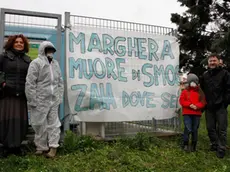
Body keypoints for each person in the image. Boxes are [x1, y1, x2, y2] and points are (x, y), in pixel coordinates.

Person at [25, 41, 64, 158]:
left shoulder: (55, 64)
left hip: (53, 100)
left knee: (54, 124)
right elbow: (30, 83)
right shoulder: (36, 63)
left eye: (52, 50)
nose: (50, 53)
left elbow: (60, 82)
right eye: (48, 50)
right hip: (40, 99)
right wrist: (32, 100)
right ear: (42, 50)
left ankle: (53, 148)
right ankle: (41, 147)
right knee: (39, 124)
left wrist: (59, 97)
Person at [0, 34, 31, 157]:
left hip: (22, 94)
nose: (19, 44)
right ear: (12, 43)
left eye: (21, 42)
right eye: (16, 42)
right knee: (5, 120)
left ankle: (17, 146)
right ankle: (6, 146)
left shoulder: (28, 60)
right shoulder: (4, 57)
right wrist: (2, 83)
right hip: (7, 94)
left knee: (20, 121)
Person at [200, 53, 230, 158]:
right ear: (208, 63)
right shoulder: (205, 75)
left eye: (214, 60)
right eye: (210, 61)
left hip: (221, 106)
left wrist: (225, 102)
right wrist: (203, 104)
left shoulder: (225, 73)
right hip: (209, 107)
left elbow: (228, 89)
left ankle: (221, 148)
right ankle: (215, 144)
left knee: (222, 129)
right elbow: (202, 91)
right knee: (210, 128)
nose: (212, 62)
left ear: (218, 61)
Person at [179, 73, 206, 152]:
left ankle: (194, 145)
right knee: (188, 128)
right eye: (192, 82)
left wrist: (197, 106)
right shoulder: (185, 92)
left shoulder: (200, 92)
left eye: (195, 82)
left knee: (195, 129)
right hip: (187, 113)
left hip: (197, 114)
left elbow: (203, 102)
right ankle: (185, 144)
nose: (194, 84)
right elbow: (182, 101)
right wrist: (189, 105)